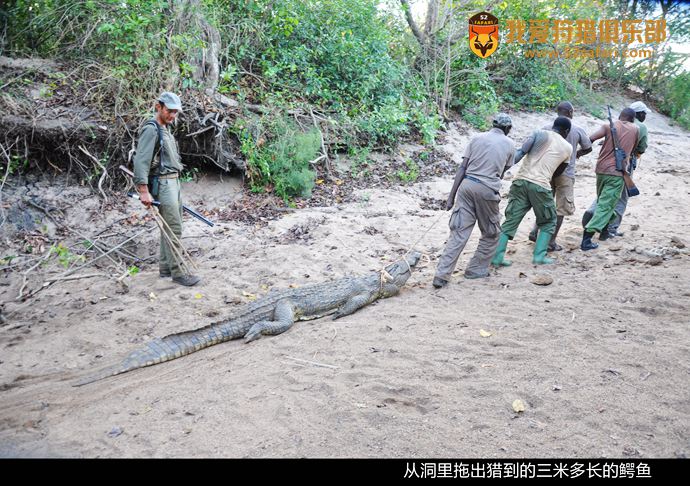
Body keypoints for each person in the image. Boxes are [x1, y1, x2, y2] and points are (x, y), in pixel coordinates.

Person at [432, 113, 515, 288]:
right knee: (491, 232)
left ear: (492, 124)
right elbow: (501, 173)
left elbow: (462, 167)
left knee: (459, 233)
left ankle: (441, 275)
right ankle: (476, 269)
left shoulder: (476, 138)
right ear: (508, 129)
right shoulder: (509, 144)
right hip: (487, 190)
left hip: (466, 186)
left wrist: (451, 197)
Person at [133, 92, 201, 286]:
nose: (172, 115)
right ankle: (179, 273)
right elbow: (141, 161)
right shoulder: (152, 129)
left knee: (169, 226)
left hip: (173, 182)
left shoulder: (166, 129)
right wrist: (143, 191)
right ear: (159, 107)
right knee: (174, 227)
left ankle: (165, 268)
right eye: (169, 111)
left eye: (175, 112)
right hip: (163, 184)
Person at [491, 117, 573, 267]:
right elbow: (558, 172)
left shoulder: (538, 133)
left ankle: (497, 257)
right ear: (566, 131)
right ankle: (539, 256)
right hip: (541, 185)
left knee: (511, 220)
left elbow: (521, 152)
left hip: (520, 181)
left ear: (553, 126)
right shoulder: (567, 147)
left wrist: (501, 169)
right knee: (548, 221)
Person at [527, 102, 592, 251]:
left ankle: (535, 230)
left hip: (547, 171)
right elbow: (588, 147)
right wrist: (577, 154)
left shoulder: (545, 128)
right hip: (566, 173)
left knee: (544, 203)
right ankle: (550, 241)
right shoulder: (577, 130)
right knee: (561, 208)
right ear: (570, 112)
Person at [582, 101, 649, 238]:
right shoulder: (638, 127)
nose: (645, 116)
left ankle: (595, 214)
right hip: (621, 167)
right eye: (644, 113)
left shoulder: (610, 126)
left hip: (601, 167)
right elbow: (640, 147)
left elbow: (591, 139)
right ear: (639, 114)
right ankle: (608, 228)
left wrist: (579, 153)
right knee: (620, 197)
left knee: (605, 195)